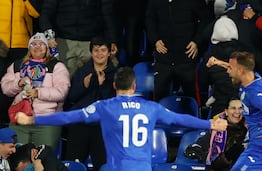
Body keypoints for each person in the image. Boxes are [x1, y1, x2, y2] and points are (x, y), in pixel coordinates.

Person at [15, 66, 228, 171]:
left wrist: (33, 120)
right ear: (134, 87)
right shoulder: (152, 108)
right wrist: (209, 123)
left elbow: (70, 117)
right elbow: (181, 120)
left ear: (115, 85)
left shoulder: (105, 107)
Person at [206, 51, 262, 170]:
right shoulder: (251, 77)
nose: (228, 71)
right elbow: (238, 67)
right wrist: (218, 63)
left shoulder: (257, 95)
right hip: (255, 143)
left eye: (230, 68)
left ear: (240, 71)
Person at [145, 0, 212, 101]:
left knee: (192, 98)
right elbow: (149, 21)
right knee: (158, 97)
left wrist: (196, 41)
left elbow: (205, 20)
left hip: (186, 57)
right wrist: (155, 40)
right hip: (163, 58)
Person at [39, 0, 118, 76]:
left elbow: (108, 16)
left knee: (92, 82)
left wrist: (112, 40)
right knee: (62, 82)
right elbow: (46, 12)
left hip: (91, 43)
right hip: (63, 42)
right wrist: (49, 36)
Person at [1, 33, 71, 150]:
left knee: (42, 161)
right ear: (29, 47)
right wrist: (18, 83)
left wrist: (38, 93)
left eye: (41, 44)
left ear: (47, 48)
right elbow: (5, 88)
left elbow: (62, 92)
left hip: (46, 122)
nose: (37, 47)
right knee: (18, 160)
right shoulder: (17, 65)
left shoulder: (56, 66)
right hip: (20, 120)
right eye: (34, 44)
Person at [63, 37, 117, 171]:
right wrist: (84, 85)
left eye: (103, 50)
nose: (99, 53)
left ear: (109, 52)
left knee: (103, 166)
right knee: (73, 164)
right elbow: (72, 97)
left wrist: (102, 85)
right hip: (80, 124)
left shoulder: (115, 74)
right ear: (91, 52)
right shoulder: (82, 71)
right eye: (96, 50)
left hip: (102, 126)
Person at [184, 97, 248, 171]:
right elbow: (196, 149)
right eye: (233, 108)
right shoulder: (217, 129)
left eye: (240, 108)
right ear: (226, 111)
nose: (237, 112)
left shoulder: (249, 129)